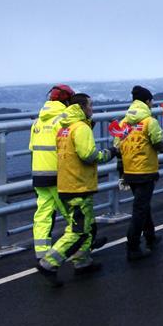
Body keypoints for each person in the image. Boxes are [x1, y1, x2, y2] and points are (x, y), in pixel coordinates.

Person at [36, 93, 111, 285]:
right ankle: (49, 263)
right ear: (82, 107)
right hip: (79, 185)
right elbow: (89, 155)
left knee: (85, 226)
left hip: (66, 183)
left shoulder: (63, 128)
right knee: (77, 230)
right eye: (90, 105)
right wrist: (109, 153)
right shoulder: (80, 128)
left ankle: (82, 261)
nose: (92, 109)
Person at [116, 85, 163, 261]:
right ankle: (132, 246)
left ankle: (151, 237)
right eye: (151, 101)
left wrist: (122, 172)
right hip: (146, 171)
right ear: (147, 102)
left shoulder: (123, 122)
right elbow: (160, 145)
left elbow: (118, 147)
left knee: (143, 204)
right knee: (140, 209)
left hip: (129, 171)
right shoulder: (149, 122)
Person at [29, 84, 74, 260]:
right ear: (67, 100)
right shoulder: (62, 120)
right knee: (71, 213)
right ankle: (80, 248)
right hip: (58, 173)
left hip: (38, 173)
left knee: (43, 214)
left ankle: (42, 253)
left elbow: (32, 147)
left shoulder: (37, 122)